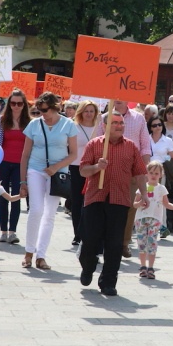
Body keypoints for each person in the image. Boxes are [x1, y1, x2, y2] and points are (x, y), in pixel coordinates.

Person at [79, 111, 149, 296]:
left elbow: (140, 173)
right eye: (115, 123)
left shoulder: (131, 147)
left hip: (119, 200)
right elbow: (83, 171)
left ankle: (108, 282)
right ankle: (88, 266)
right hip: (95, 198)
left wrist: (144, 194)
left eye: (121, 123)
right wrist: (96, 167)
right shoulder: (94, 145)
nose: (119, 126)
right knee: (90, 242)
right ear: (104, 125)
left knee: (114, 244)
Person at [19, 92, 77, 270]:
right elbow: (25, 155)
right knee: (36, 210)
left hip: (58, 173)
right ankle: (29, 252)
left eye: (45, 109)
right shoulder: (34, 124)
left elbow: (74, 154)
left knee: (50, 214)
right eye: (39, 109)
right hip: (36, 169)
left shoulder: (68, 124)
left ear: (55, 107)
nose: (41, 113)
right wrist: (22, 182)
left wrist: (56, 167)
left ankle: (41, 255)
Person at [95, 100, 151, 258]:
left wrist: (145, 166)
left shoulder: (139, 118)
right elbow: (98, 142)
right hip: (108, 169)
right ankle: (105, 241)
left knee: (130, 207)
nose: (118, 98)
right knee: (107, 206)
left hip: (131, 169)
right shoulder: (104, 118)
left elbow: (145, 144)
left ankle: (124, 243)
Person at [133, 161, 173, 279]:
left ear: (161, 175)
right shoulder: (142, 188)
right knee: (142, 243)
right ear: (146, 174)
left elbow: (166, 203)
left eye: (156, 173)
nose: (153, 175)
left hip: (155, 219)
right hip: (141, 219)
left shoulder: (161, 189)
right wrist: (139, 203)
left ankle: (151, 267)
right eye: (151, 172)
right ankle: (143, 266)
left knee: (152, 243)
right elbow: (134, 204)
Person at [0, 89, 31, 245]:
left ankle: (13, 232)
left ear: (24, 105)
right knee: (3, 196)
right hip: (3, 162)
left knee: (17, 196)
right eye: (13, 103)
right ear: (9, 104)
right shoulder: (2, 120)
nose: (16, 106)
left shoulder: (30, 122)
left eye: (19, 103)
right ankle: (3, 231)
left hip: (21, 165)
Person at [70, 100, 99, 246]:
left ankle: (88, 231)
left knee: (90, 201)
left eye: (92, 111)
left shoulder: (99, 127)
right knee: (77, 201)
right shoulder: (74, 127)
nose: (89, 114)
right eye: (86, 111)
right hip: (76, 167)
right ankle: (77, 233)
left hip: (93, 168)